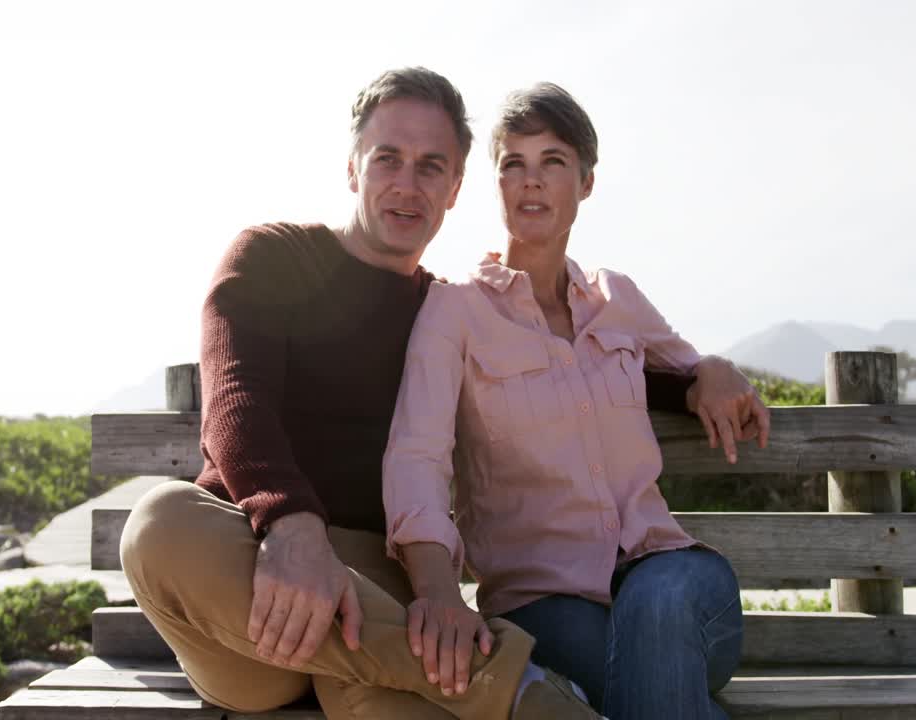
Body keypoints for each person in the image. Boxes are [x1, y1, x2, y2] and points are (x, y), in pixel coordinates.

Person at [119, 67, 757, 720]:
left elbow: (589, 367)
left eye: (431, 167)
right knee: (158, 524)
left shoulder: (445, 312)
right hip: (252, 573)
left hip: (373, 587)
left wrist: (703, 371)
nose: (407, 183)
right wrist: (293, 529)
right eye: (388, 159)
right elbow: (235, 404)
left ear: (454, 188)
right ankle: (526, 694)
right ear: (351, 168)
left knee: (374, 679)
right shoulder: (274, 256)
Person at [383, 82, 770, 720]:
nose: (531, 182)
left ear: (585, 182)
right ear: (497, 184)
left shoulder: (617, 299)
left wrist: (717, 367)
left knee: (660, 607)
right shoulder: (454, 312)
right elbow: (417, 455)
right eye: (514, 164)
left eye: (552, 163)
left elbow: (686, 365)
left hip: (673, 579)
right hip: (545, 606)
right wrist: (436, 589)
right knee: (651, 683)